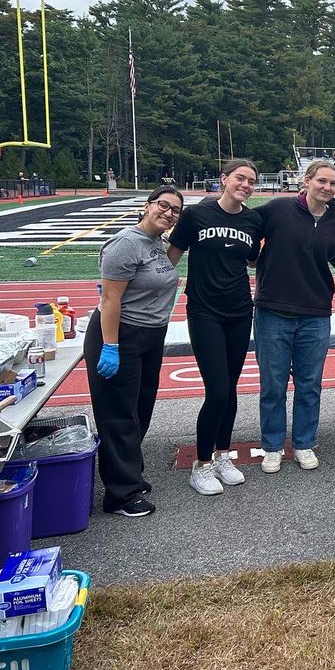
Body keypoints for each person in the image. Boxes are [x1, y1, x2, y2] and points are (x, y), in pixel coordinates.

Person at [85, 186, 183, 517]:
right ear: (147, 206)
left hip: (150, 336)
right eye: (163, 205)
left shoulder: (157, 245)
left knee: (140, 409)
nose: (168, 212)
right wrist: (110, 346)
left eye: (175, 210)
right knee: (118, 414)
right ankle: (121, 495)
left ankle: (129, 475)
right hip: (120, 334)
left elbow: (166, 273)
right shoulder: (125, 244)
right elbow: (110, 300)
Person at [167, 159, 263, 496]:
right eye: (240, 178)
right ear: (224, 179)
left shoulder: (253, 220)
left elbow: (251, 260)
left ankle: (223, 455)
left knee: (232, 388)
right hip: (204, 311)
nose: (246, 185)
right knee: (218, 389)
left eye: (251, 181)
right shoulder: (196, 215)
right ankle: (202, 464)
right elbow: (171, 258)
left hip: (239, 310)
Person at [253, 160, 335, 473]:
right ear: (306, 181)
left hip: (315, 314)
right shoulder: (276, 210)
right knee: (273, 385)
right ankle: (272, 445)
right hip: (272, 311)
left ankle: (304, 443)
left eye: (333, 183)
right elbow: (245, 231)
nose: (327, 187)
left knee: (309, 385)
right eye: (322, 181)